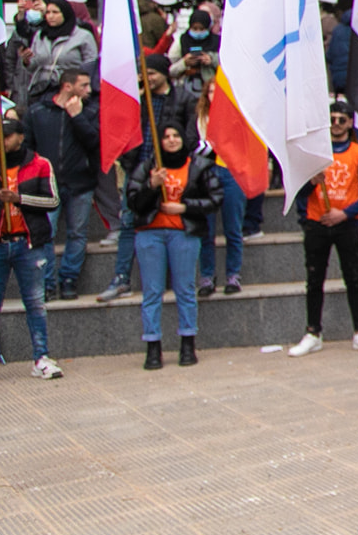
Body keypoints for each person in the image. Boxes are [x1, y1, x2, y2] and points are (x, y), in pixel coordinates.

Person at [0, 119, 64, 388]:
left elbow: (52, 201)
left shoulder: (40, 163)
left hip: (27, 244)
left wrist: (19, 199)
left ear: (20, 137)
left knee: (35, 303)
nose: (2, 141)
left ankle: (41, 358)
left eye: (7, 136)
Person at [97, 56, 199, 304]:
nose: (148, 78)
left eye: (152, 73)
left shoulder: (184, 98)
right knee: (129, 221)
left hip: (171, 172)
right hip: (139, 170)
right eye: (145, 74)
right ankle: (121, 277)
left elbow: (191, 136)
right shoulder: (138, 100)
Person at [285, 99, 358, 356]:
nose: (336, 124)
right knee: (314, 280)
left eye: (342, 120)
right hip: (316, 222)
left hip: (347, 223)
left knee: (353, 277)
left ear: (350, 123)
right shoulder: (314, 156)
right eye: (332, 120)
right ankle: (312, 332)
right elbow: (300, 192)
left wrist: (346, 213)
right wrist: (312, 182)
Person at [125, 121, 218, 370]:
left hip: (184, 234)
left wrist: (185, 208)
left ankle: (188, 343)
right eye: (166, 136)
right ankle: (153, 347)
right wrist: (151, 186)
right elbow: (133, 202)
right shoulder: (147, 168)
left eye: (176, 135)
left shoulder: (198, 166)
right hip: (150, 234)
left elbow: (215, 199)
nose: (172, 140)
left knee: (185, 289)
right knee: (152, 292)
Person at [26, 68, 99, 301]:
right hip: (48, 185)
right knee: (45, 234)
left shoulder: (89, 110)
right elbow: (28, 146)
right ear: (67, 86)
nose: (89, 90)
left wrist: (77, 116)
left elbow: (94, 142)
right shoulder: (38, 111)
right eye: (84, 85)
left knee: (77, 233)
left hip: (80, 182)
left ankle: (69, 278)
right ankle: (47, 283)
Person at [193, 86, 248, 298]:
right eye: (211, 91)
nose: (214, 95)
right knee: (206, 230)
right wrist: (210, 146)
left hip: (232, 172)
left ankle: (233, 275)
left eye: (219, 91)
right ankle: (207, 276)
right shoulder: (200, 118)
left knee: (233, 228)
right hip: (206, 174)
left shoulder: (238, 115)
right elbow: (192, 144)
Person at [25, 1, 97, 104]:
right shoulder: (41, 35)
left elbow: (90, 65)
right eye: (48, 12)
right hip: (41, 91)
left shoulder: (83, 36)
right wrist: (26, 61)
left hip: (70, 91)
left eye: (55, 12)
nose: (50, 16)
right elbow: (33, 66)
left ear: (65, 14)